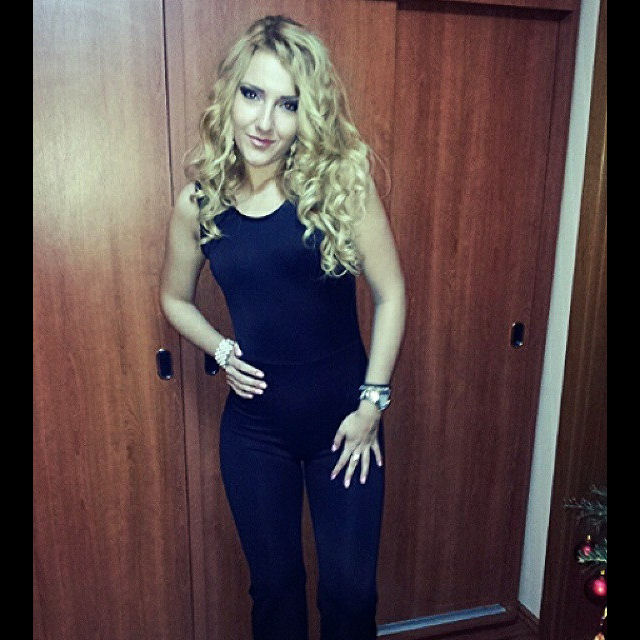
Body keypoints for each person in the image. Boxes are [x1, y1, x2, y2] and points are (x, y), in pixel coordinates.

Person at [159, 14, 406, 640]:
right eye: (252, 94)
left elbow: (391, 293)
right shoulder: (199, 204)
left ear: (308, 114)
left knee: (350, 595)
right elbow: (173, 298)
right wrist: (220, 349)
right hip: (255, 435)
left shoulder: (340, 187)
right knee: (275, 594)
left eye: (288, 104)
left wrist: (372, 404)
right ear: (229, 95)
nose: (265, 121)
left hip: (346, 429)